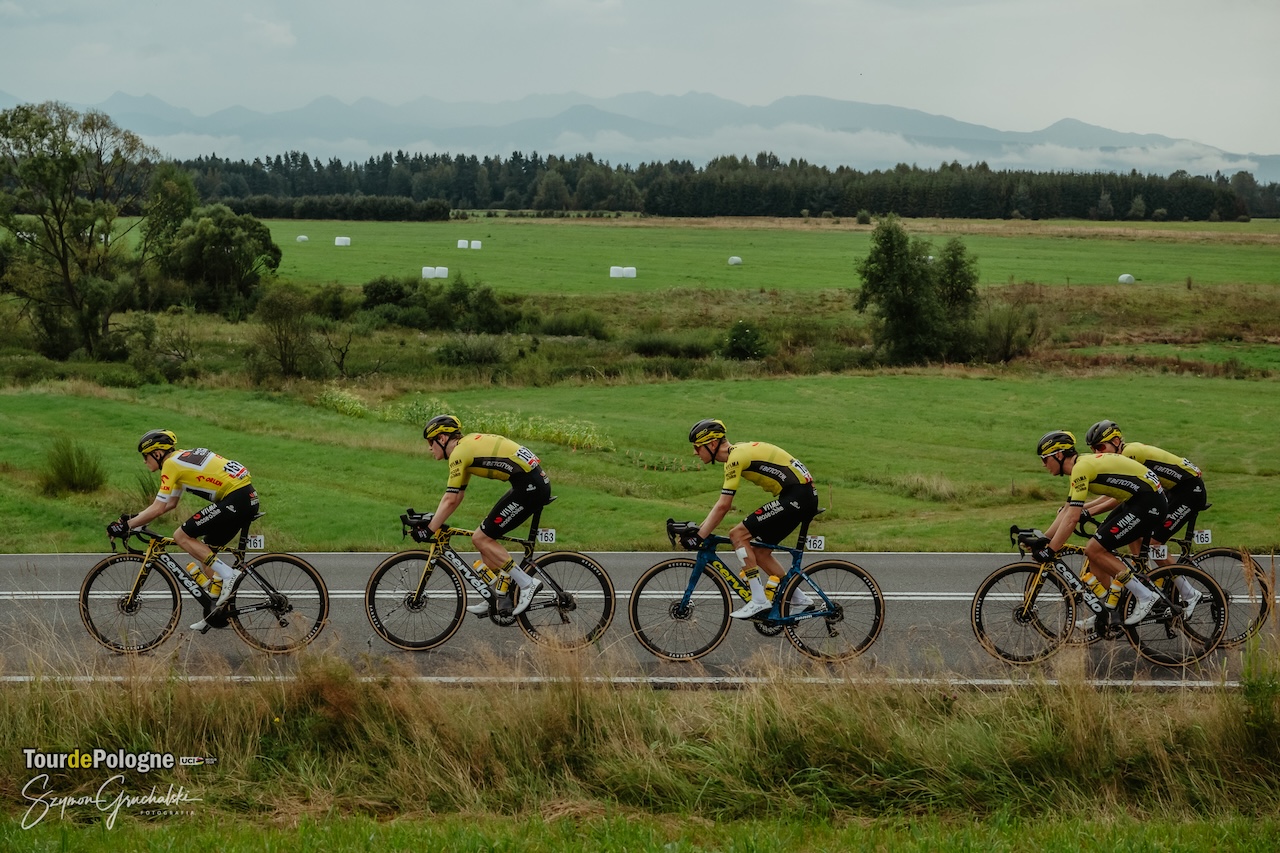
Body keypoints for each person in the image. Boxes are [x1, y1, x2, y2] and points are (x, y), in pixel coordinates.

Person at [107, 430, 256, 632]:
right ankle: (215, 609)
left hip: (236, 498)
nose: (144, 461)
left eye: (145, 456)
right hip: (243, 497)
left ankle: (229, 575)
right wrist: (134, 520)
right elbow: (169, 504)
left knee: (181, 535)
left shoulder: (171, 464)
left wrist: (126, 526)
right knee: (206, 547)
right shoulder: (178, 461)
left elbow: (159, 507)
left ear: (157, 453)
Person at [685, 418, 820, 620]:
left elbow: (724, 506)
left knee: (737, 535)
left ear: (712, 444)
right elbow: (721, 505)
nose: (695, 452)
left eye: (697, 447)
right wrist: (699, 531)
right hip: (799, 495)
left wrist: (699, 536)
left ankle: (758, 600)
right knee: (760, 553)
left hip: (797, 496)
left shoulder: (735, 458)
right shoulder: (737, 452)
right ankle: (799, 599)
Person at [1032, 429, 1167, 628]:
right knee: (1095, 554)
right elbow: (1069, 509)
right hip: (1137, 501)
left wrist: (1051, 549)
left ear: (1058, 455)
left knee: (1094, 548)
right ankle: (1109, 611)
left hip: (1148, 503)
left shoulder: (1081, 468)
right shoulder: (1081, 466)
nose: (1044, 465)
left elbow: (1071, 519)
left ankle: (1146, 596)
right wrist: (1043, 539)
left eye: (1045, 459)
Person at [419, 414, 550, 618]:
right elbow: (457, 494)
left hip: (530, 487)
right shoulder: (466, 447)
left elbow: (450, 500)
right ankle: (498, 596)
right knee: (485, 538)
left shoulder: (459, 453)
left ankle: (526, 583)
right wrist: (435, 522)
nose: (429, 447)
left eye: (430, 442)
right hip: (529, 483)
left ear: (442, 439)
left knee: (481, 537)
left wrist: (429, 529)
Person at [1083, 419, 1205, 615]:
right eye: (1093, 449)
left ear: (1115, 441)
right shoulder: (1121, 455)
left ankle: (1189, 593)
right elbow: (1118, 493)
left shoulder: (1130, 454)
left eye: (1100, 447)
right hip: (1172, 490)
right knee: (1137, 534)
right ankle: (1147, 578)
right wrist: (1084, 506)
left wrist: (1087, 510)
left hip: (1189, 491)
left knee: (1155, 542)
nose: (1097, 454)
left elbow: (1119, 497)